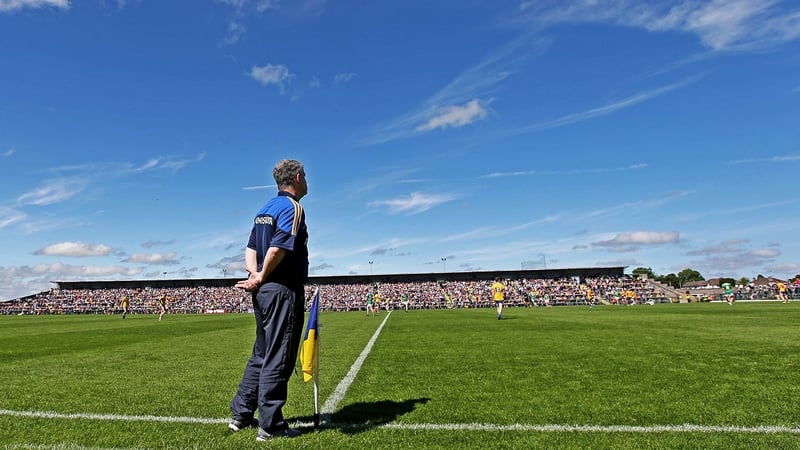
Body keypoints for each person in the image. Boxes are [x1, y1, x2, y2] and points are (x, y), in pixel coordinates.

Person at [229, 159, 309, 441]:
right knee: (280, 355)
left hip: (263, 290)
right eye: (306, 176)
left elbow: (250, 247)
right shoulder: (292, 208)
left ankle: (241, 414)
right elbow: (278, 248)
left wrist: (254, 275)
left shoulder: (264, 209)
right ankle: (271, 424)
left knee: (261, 353)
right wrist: (262, 275)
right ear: (298, 177)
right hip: (281, 288)